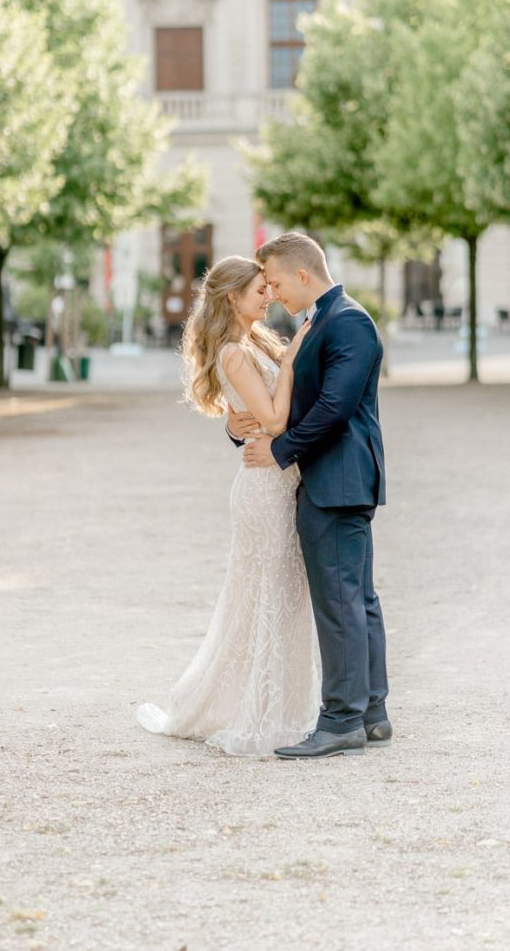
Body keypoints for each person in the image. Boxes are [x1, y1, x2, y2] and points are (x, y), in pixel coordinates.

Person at [136, 256, 318, 756]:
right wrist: (297, 352)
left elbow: (266, 410)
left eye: (268, 287)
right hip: (263, 489)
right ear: (232, 298)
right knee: (263, 596)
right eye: (259, 290)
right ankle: (259, 713)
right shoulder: (234, 352)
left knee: (274, 596)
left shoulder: (256, 341)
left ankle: (274, 705)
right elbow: (277, 419)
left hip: (278, 479)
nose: (269, 295)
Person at [235, 232, 390, 760]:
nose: (272, 293)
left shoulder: (347, 320)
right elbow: (293, 402)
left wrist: (280, 453)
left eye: (275, 281)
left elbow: (333, 408)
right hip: (334, 479)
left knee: (340, 600)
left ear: (303, 274)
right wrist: (245, 430)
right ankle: (370, 712)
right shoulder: (319, 322)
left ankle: (342, 718)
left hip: (338, 479)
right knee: (357, 598)